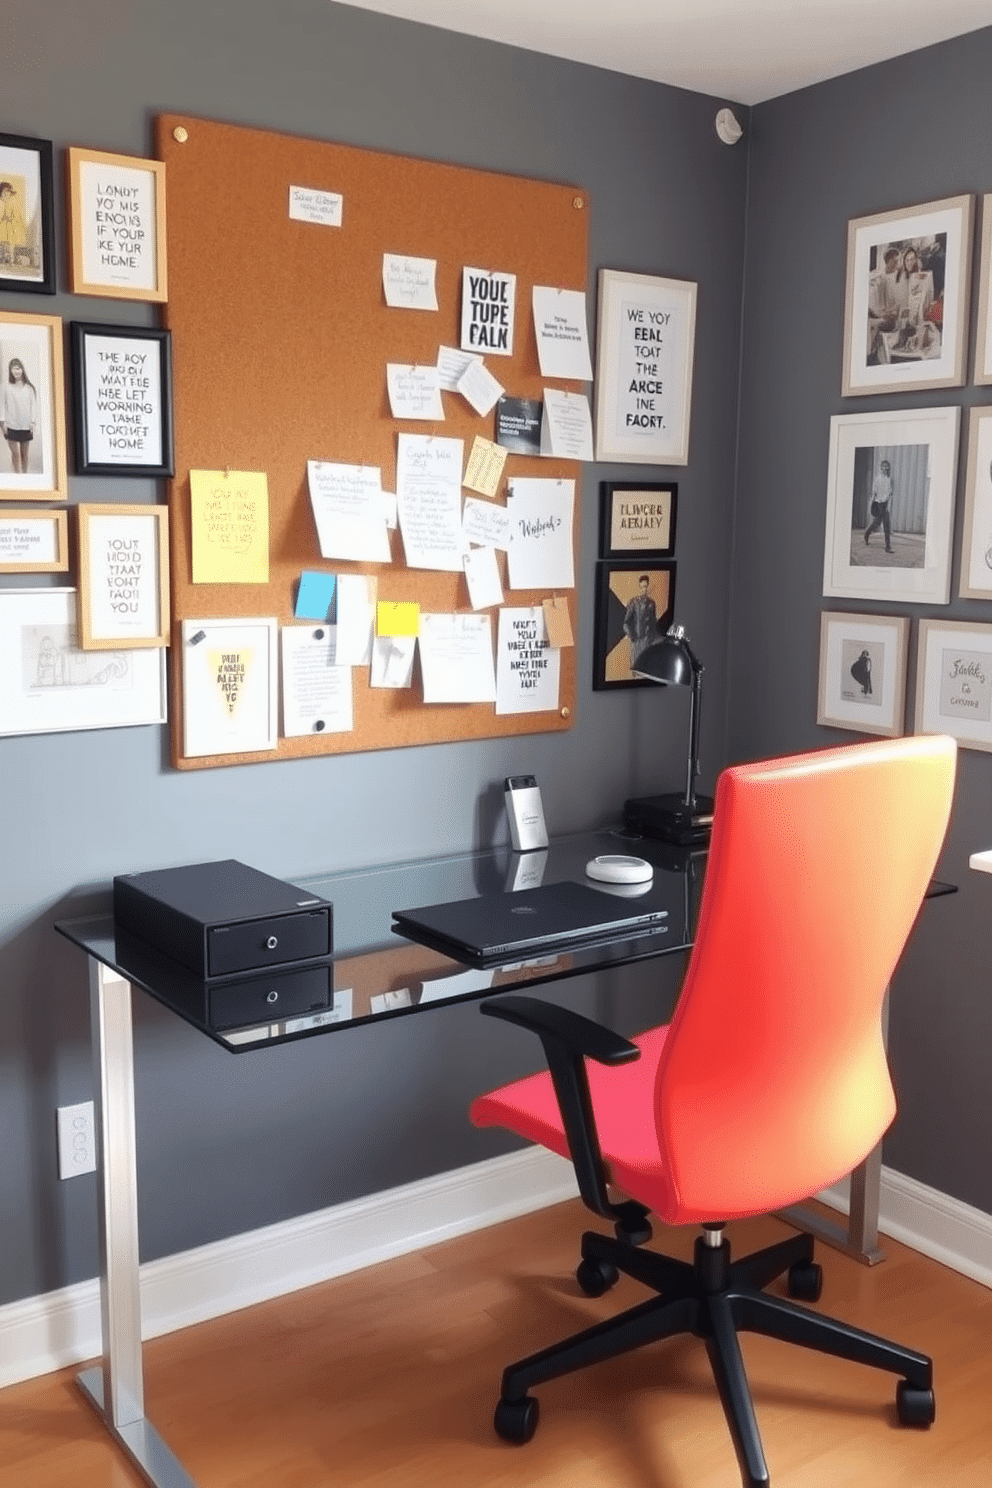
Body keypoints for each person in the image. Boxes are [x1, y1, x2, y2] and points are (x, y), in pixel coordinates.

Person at [0, 357, 38, 474]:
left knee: (24, 455)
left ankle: (24, 477)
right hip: (11, 425)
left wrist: (32, 422)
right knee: (15, 454)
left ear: (22, 369)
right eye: (12, 369)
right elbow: (1, 404)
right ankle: (17, 476)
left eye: (17, 368)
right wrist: (2, 423)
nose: (15, 372)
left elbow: (34, 407)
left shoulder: (29, 388)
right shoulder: (5, 386)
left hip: (26, 426)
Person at [623, 575, 658, 667]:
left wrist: (651, 639)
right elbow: (626, 622)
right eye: (642, 587)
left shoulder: (652, 603)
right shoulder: (633, 603)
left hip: (648, 642)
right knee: (636, 666)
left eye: (646, 587)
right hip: (637, 641)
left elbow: (654, 623)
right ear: (639, 587)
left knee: (647, 667)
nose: (644, 589)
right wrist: (632, 636)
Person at [864, 458, 893, 553]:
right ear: (881, 468)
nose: (885, 469)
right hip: (878, 504)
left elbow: (889, 493)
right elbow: (874, 493)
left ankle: (888, 547)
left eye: (887, 467)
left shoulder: (889, 479)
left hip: (885, 505)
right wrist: (871, 505)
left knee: (886, 526)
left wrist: (887, 503)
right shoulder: (877, 479)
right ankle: (867, 533)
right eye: (883, 467)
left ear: (888, 468)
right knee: (876, 524)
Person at [0, 181, 27, 266]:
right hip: (8, 224)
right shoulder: (8, 202)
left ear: (9, 192)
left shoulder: (12, 202)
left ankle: (11, 260)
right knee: (7, 244)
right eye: (3, 194)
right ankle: (7, 259)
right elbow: (5, 214)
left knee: (10, 244)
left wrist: (4, 218)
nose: (4, 196)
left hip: (12, 225)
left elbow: (12, 215)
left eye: (5, 193)